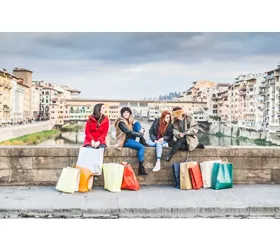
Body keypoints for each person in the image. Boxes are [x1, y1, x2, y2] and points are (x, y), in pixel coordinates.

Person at [113, 107, 148, 175]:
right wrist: (140, 134)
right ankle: (141, 168)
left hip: (130, 138)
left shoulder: (130, 121)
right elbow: (128, 131)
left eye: (127, 112)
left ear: (130, 114)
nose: (126, 114)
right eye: (124, 112)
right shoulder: (121, 122)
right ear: (122, 114)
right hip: (124, 140)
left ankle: (142, 139)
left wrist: (142, 130)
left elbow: (136, 128)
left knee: (137, 123)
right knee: (141, 147)